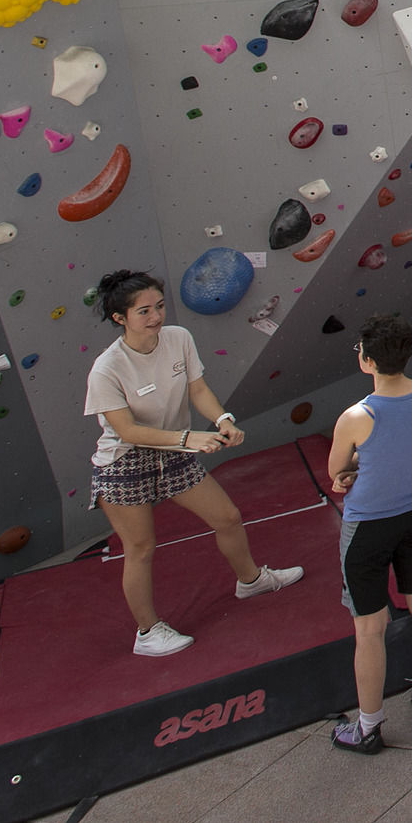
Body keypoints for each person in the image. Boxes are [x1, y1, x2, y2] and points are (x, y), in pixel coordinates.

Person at [82, 270, 303, 657]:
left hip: (175, 451)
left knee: (228, 517)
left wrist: (222, 421)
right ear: (120, 318)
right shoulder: (106, 369)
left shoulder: (178, 339)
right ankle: (148, 633)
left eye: (160, 307)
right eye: (144, 311)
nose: (156, 317)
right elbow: (127, 430)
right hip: (124, 462)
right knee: (141, 548)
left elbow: (197, 388)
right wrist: (189, 439)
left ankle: (250, 580)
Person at [325, 313, 412, 753]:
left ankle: (369, 726)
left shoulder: (356, 416)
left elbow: (337, 470)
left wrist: (348, 474)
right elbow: (411, 446)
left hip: (369, 528)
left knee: (369, 627)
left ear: (368, 361)